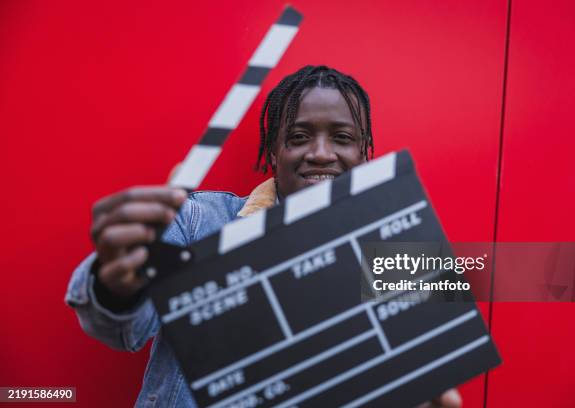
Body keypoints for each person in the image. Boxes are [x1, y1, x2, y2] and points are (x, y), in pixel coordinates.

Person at [65, 65, 462, 407]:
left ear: (364, 153)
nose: (321, 153)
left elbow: (422, 374)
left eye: (342, 138)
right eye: (299, 136)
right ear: (274, 152)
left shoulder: (400, 251)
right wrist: (116, 283)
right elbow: (125, 330)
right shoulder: (197, 222)